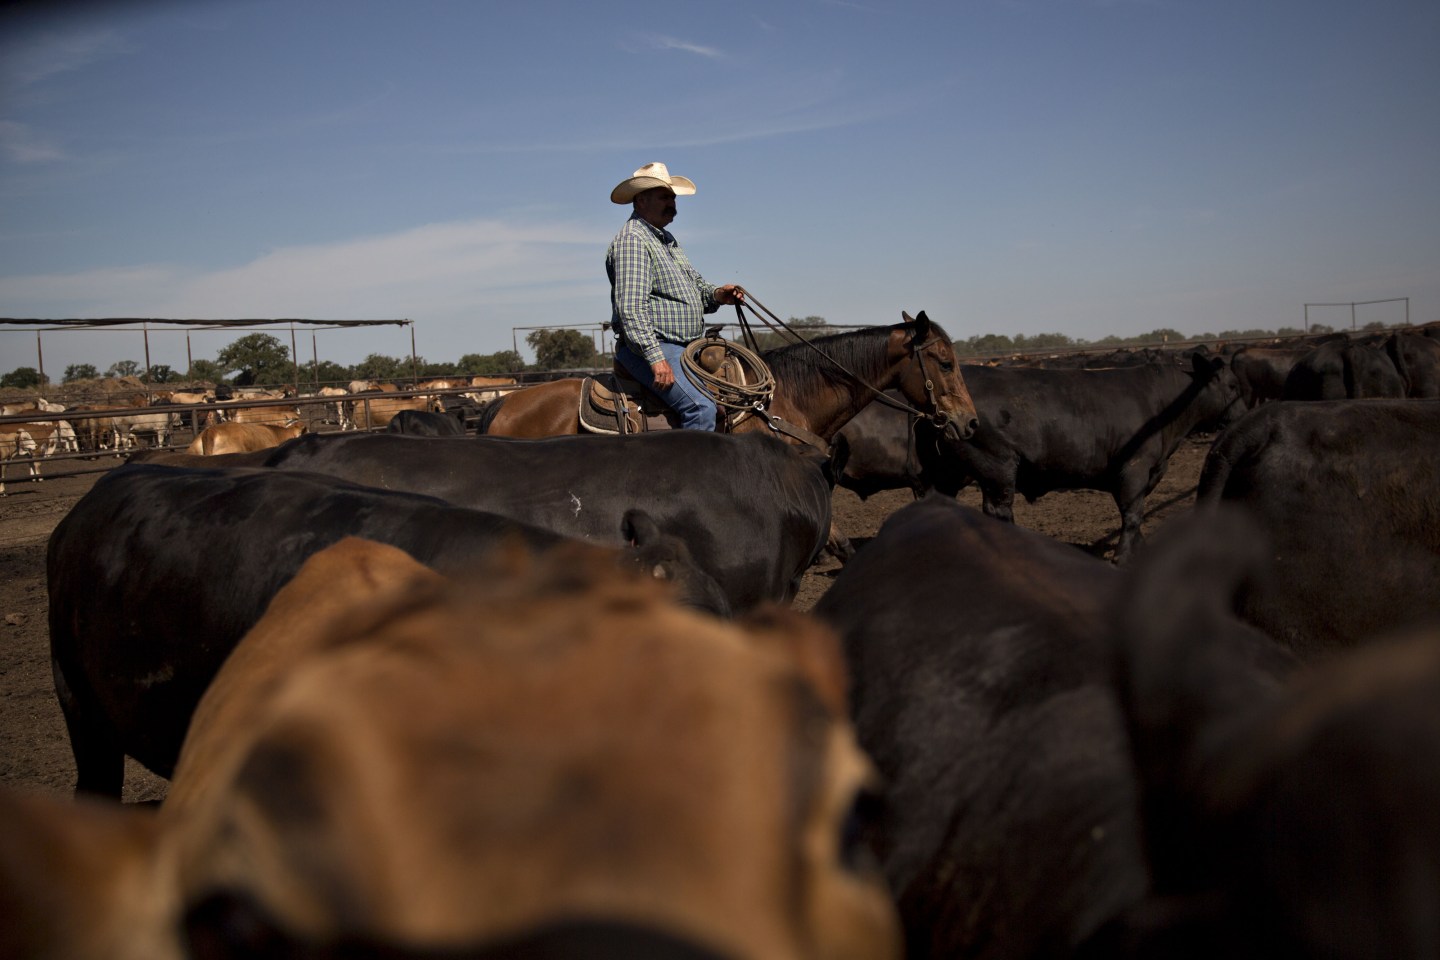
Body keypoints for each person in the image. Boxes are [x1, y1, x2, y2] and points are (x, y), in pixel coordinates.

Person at [607, 162, 745, 431]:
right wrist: (655, 357)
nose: (672, 203)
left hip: (684, 346)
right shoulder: (633, 240)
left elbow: (696, 287)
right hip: (654, 346)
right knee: (700, 408)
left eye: (672, 196)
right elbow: (631, 309)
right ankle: (692, 473)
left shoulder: (666, 240)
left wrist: (718, 294)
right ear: (641, 200)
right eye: (664, 196)